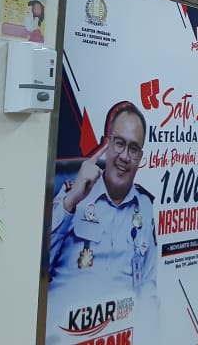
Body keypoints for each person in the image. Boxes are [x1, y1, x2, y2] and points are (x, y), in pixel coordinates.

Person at [48, 101, 157, 335]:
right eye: (119, 143)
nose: (124, 156)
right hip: (66, 333)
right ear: (106, 144)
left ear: (140, 157)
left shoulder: (145, 207)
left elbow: (148, 283)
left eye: (133, 148)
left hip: (120, 332)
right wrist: (70, 201)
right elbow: (38, 264)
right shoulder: (73, 196)